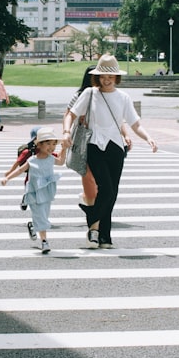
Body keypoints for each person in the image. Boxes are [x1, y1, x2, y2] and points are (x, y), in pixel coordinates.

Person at [62, 54, 157, 249]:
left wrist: (148, 137)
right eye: (103, 76)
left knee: (112, 192)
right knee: (106, 188)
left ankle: (104, 235)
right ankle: (94, 222)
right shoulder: (89, 93)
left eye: (111, 77)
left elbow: (134, 123)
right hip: (95, 145)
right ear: (97, 77)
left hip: (116, 147)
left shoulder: (123, 97)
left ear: (116, 78)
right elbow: (70, 115)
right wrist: (65, 132)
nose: (107, 80)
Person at [1, 126, 65, 254]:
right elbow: (20, 169)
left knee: (44, 215)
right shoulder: (32, 160)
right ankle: (44, 241)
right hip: (34, 191)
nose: (52, 147)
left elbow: (61, 162)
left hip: (47, 191)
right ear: (39, 145)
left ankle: (33, 226)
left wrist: (65, 148)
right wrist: (7, 178)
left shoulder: (51, 158)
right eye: (48, 144)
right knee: (40, 215)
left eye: (53, 144)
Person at [67, 66, 98, 212]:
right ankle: (91, 202)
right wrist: (66, 132)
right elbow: (68, 114)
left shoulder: (106, 94)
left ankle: (90, 199)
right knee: (87, 172)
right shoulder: (80, 94)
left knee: (98, 175)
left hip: (101, 138)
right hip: (83, 138)